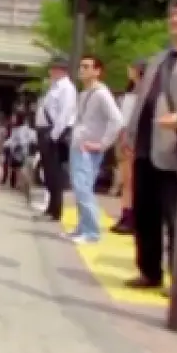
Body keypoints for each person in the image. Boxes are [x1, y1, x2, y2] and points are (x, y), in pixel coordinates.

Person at [122, 0, 177, 290]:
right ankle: (149, 270)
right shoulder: (159, 58)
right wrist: (131, 134)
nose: (174, 20)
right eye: (172, 15)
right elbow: (143, 99)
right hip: (146, 146)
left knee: (175, 217)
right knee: (145, 214)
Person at [67, 55, 124, 243]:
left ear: (97, 71)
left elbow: (117, 120)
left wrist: (102, 144)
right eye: (81, 66)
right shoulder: (85, 93)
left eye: (87, 67)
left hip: (88, 149)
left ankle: (91, 232)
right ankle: (82, 228)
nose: (82, 70)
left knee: (83, 188)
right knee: (80, 188)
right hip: (79, 146)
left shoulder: (101, 93)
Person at [34, 57, 77, 222]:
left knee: (55, 172)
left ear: (62, 70)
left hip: (54, 133)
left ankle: (56, 210)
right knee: (48, 172)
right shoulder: (54, 87)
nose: (51, 72)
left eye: (54, 69)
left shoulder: (67, 88)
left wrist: (53, 135)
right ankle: (50, 208)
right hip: (46, 131)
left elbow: (65, 114)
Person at [111, 59, 147, 235]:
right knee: (125, 181)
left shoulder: (142, 92)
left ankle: (130, 217)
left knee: (130, 181)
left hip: (131, 138)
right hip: (123, 136)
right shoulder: (131, 91)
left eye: (132, 68)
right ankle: (125, 214)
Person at [4, 116, 37, 189]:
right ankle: (18, 184)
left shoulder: (24, 130)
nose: (14, 120)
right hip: (18, 150)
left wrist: (16, 145)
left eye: (16, 119)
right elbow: (12, 139)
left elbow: (27, 140)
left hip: (23, 151)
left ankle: (23, 184)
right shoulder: (17, 129)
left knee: (20, 168)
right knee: (17, 168)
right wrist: (8, 145)